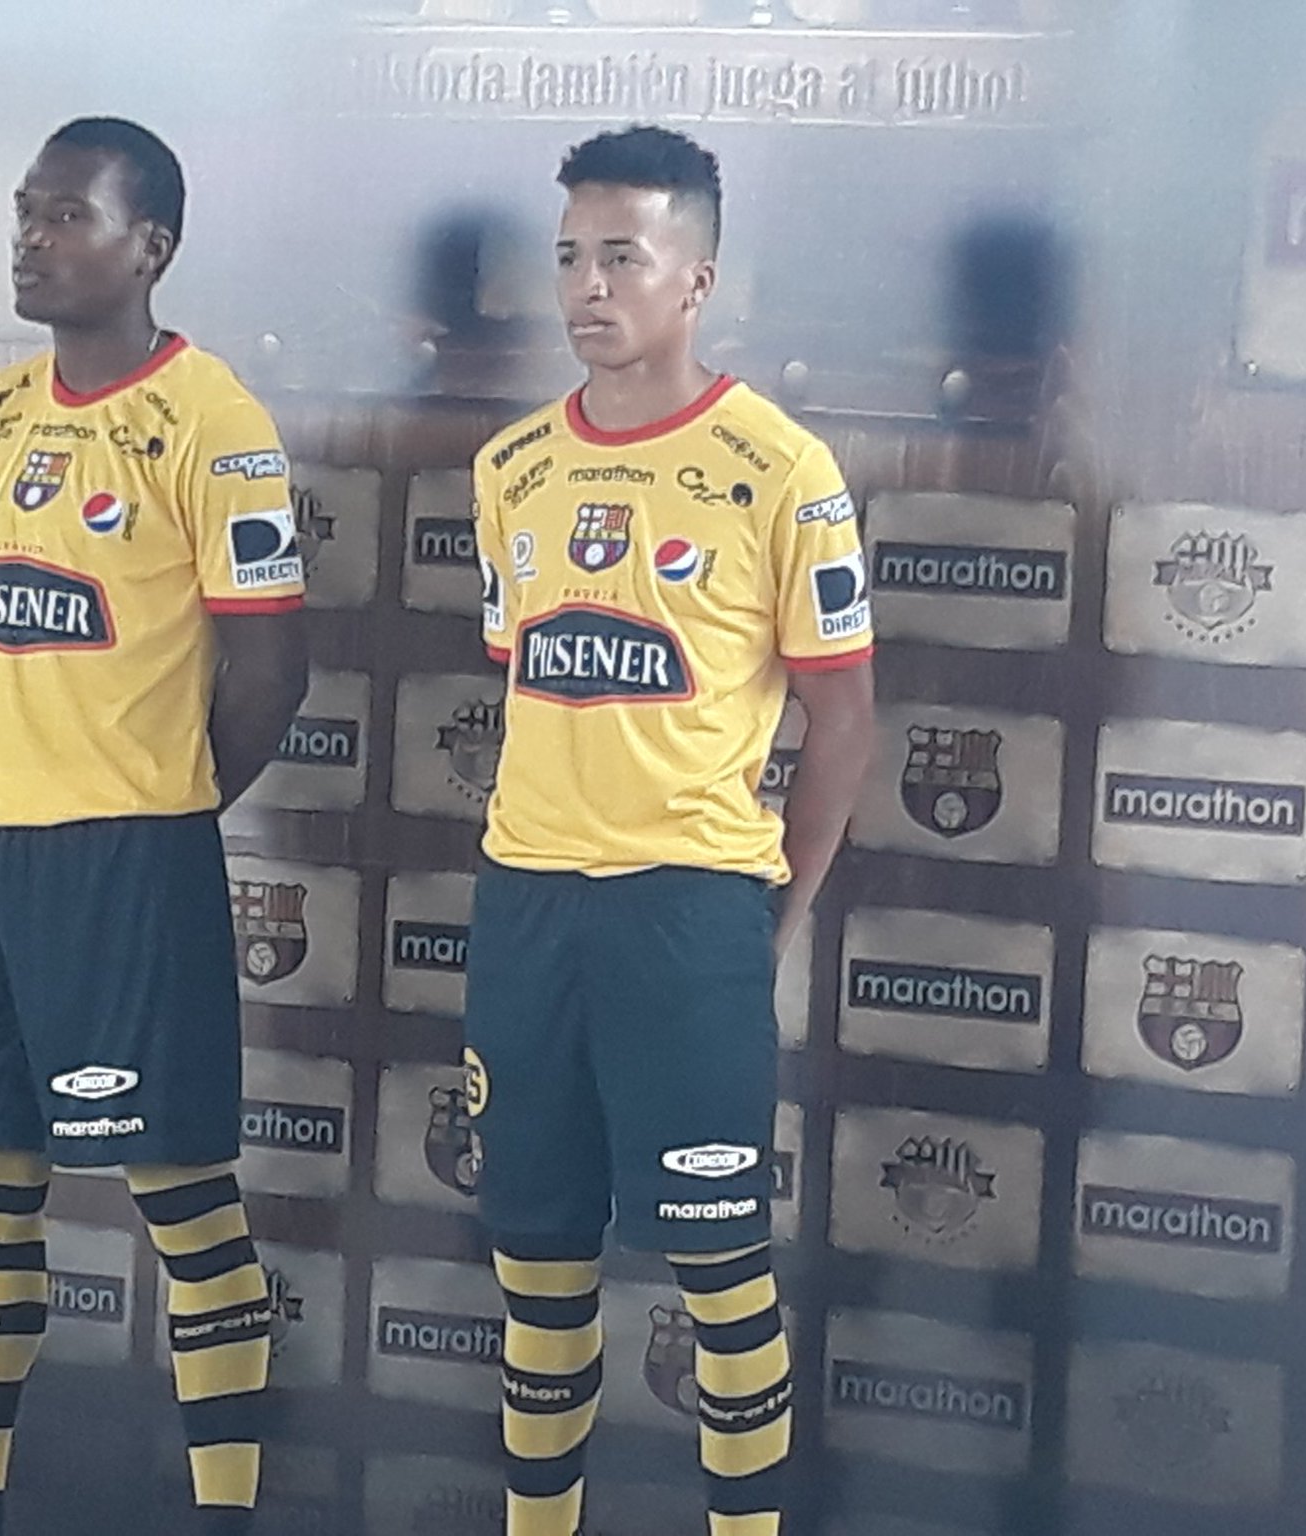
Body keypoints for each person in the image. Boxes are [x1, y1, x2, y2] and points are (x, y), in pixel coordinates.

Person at [465, 125, 877, 1536]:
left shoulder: (781, 469)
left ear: (697, 277)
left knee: (722, 1282)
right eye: (569, 257)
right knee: (536, 1275)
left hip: (689, 911)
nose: (588, 287)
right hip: (528, 909)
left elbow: (845, 722)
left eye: (622, 258)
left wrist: (769, 917)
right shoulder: (512, 467)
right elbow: (532, 674)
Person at [0, 116, 308, 1536]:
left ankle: (224, 1518)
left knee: (186, 1207)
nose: (31, 239)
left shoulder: (213, 422)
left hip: (126, 861)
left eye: (67, 215)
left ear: (151, 247)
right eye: (27, 211)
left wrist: (156, 805)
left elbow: (272, 670)